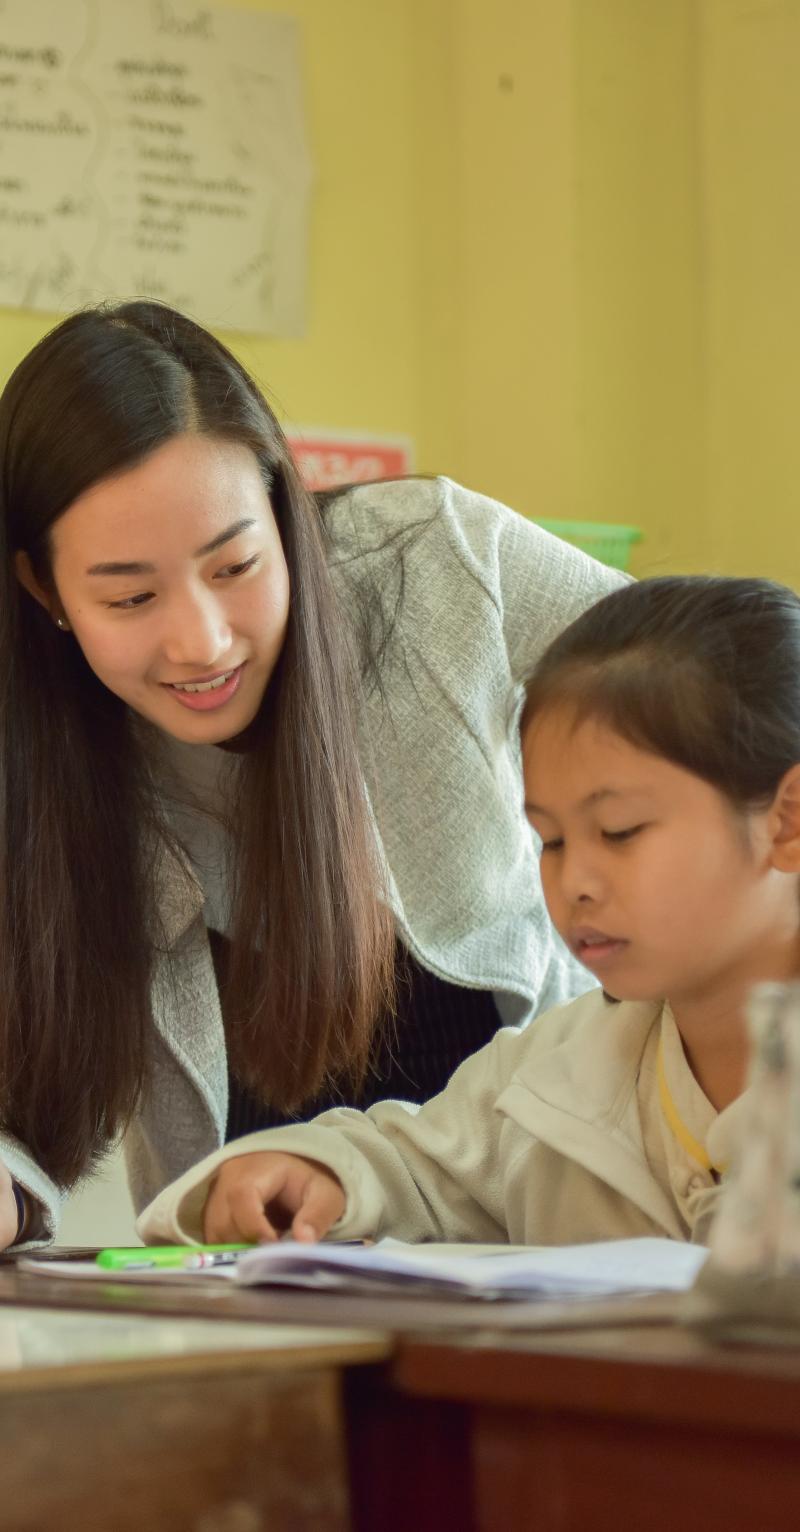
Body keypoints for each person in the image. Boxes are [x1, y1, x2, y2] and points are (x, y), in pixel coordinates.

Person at [0, 300, 625, 1249]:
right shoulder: (35, 746)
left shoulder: (429, 563)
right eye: (130, 596)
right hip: (254, 1277)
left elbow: (725, 684)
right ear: (43, 590)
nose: (201, 641)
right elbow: (26, 1103)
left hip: (527, 1236)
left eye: (237, 564)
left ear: (286, 516)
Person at [138, 575, 800, 1250]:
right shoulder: (555, 1069)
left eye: (621, 831)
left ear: (787, 822)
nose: (575, 881)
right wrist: (314, 1174)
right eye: (552, 840)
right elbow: (414, 1164)